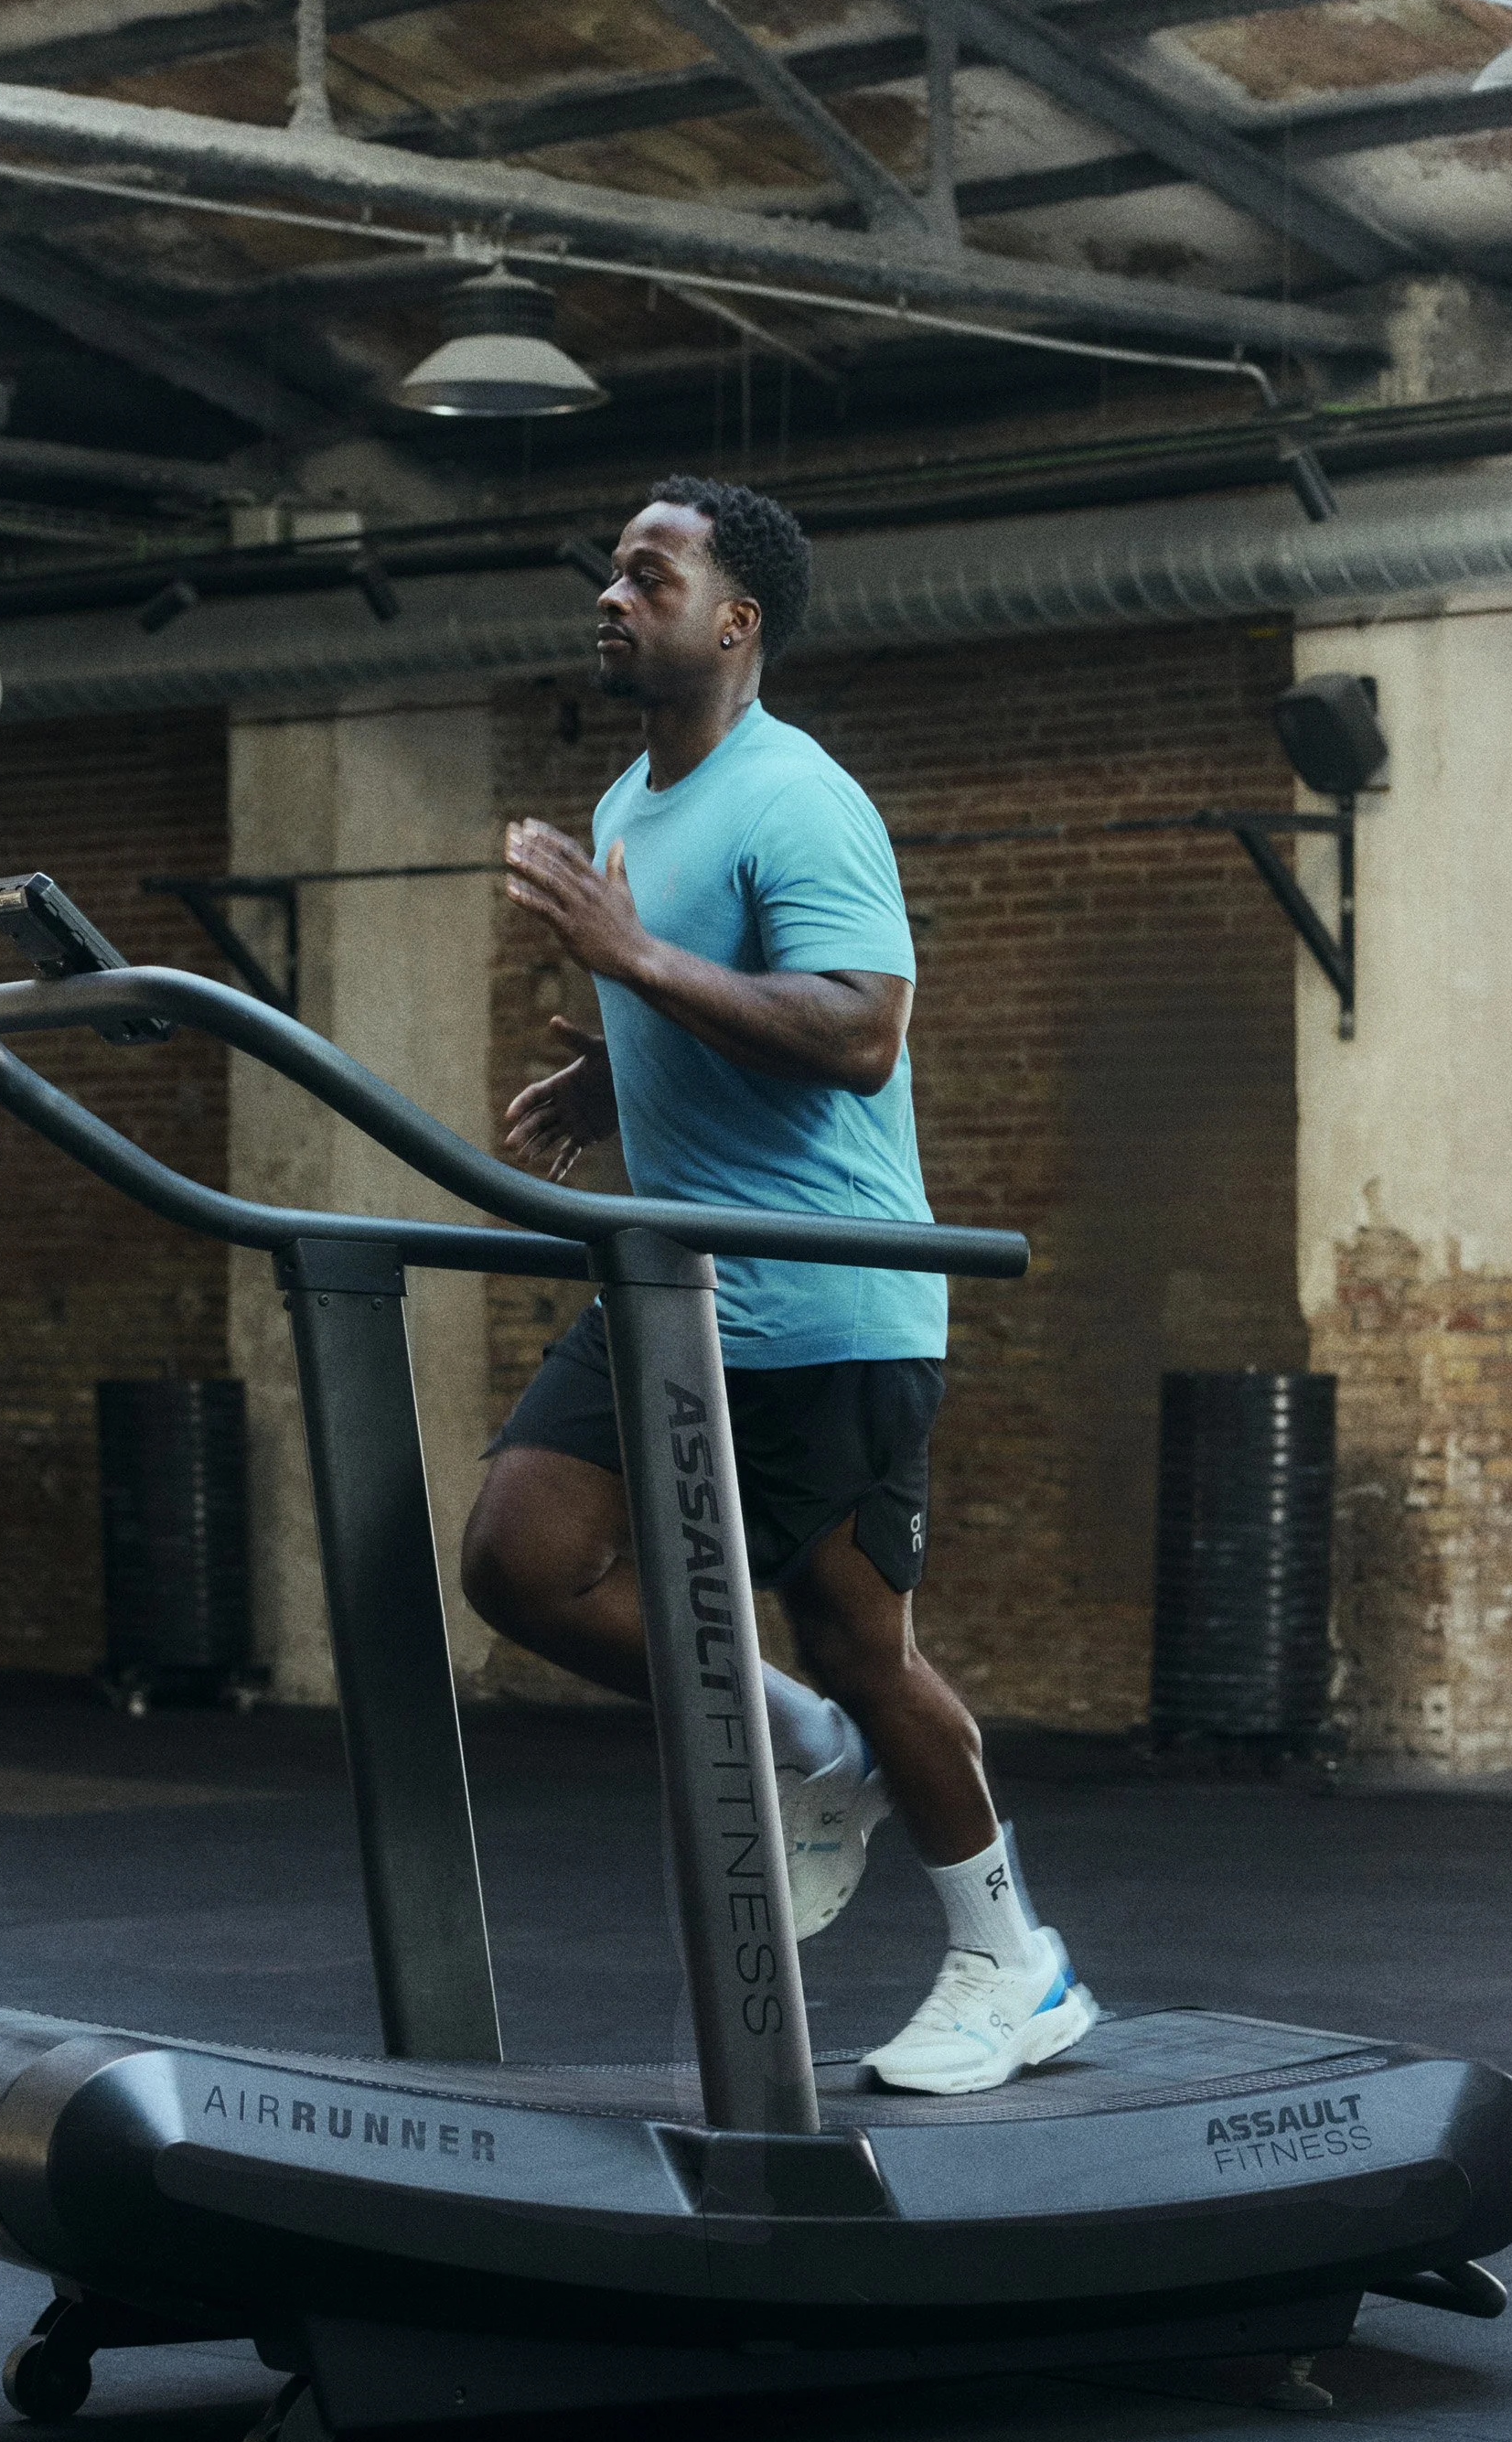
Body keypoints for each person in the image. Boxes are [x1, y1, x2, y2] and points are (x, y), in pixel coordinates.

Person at [460, 476, 1094, 2097]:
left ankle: (1011, 1963)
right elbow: (711, 999)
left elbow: (859, 1026)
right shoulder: (629, 803)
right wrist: (616, 1069)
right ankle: (797, 1743)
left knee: (857, 1639)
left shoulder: (798, 796)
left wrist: (634, 968)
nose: (612, 595)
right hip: (674, 1285)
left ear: (734, 620)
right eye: (608, 571)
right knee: (521, 1559)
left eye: (648, 575)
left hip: (824, 1300)